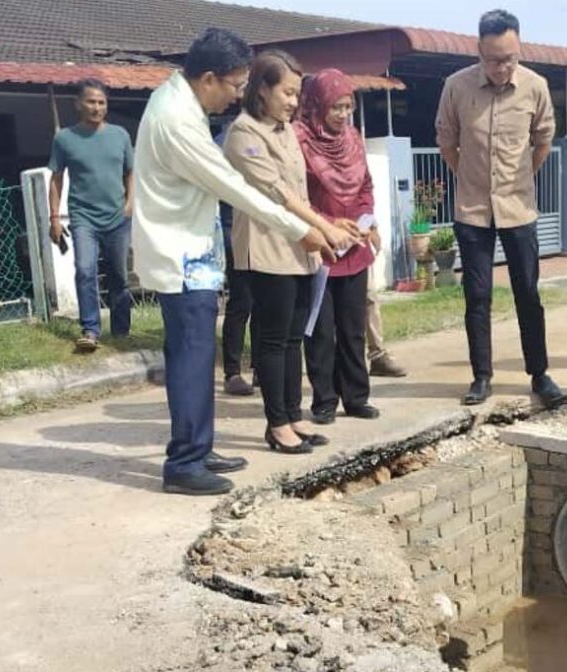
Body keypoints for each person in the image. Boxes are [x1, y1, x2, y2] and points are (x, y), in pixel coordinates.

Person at [131, 28, 333, 496]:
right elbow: (236, 187)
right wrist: (301, 229)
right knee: (191, 358)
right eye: (235, 84)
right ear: (207, 78)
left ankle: (198, 448)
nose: (238, 94)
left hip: (192, 251)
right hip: (179, 257)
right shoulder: (178, 122)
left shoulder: (180, 100)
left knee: (198, 360)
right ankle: (184, 463)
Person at [224, 51, 363, 455]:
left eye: (296, 94)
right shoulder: (244, 134)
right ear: (262, 89)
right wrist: (324, 228)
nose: (292, 101)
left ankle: (294, 414)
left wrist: (330, 224)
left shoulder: (285, 130)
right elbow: (278, 196)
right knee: (271, 339)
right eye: (285, 92)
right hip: (267, 249)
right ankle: (276, 424)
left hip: (302, 250)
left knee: (291, 339)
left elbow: (302, 194)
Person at [435, 9, 567, 410]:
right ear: (479, 51)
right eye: (494, 59)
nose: (502, 67)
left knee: (527, 293)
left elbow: (544, 138)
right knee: (476, 295)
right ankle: (481, 376)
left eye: (509, 57)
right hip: (473, 211)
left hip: (520, 209)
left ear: (518, 49)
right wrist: (472, 179)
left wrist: (521, 179)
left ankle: (540, 374)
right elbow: (446, 141)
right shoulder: (456, 87)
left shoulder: (536, 86)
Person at [296, 69, 382, 425]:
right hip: (321, 248)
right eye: (336, 107)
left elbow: (365, 186)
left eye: (349, 106)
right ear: (317, 106)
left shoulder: (353, 138)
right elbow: (295, 196)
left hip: (355, 248)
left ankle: (357, 396)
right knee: (321, 329)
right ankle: (324, 399)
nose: (344, 114)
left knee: (353, 326)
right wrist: (328, 226)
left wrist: (366, 219)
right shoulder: (299, 141)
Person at [48, 79, 134, 353]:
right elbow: (56, 179)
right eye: (91, 102)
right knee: (85, 270)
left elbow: (130, 172)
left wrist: (130, 203)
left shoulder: (120, 135)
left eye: (101, 102)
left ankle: (121, 330)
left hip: (117, 216)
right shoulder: (64, 138)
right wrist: (54, 218)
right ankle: (90, 329)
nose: (97, 107)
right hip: (82, 216)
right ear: (78, 104)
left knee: (119, 275)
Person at [216, 123, 258, 397]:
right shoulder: (225, 139)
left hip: (267, 227)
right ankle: (232, 372)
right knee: (242, 300)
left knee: (267, 303)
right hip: (235, 225)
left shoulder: (269, 134)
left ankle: (261, 368)